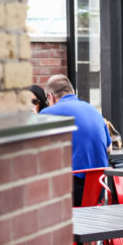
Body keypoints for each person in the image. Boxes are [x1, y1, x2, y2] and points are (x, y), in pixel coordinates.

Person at [40, 74, 112, 205]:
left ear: (50, 97)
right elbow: (109, 148)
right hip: (98, 187)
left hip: (72, 189)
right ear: (72, 92)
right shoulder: (94, 110)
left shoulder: (47, 113)